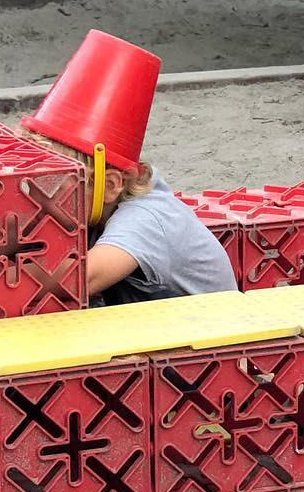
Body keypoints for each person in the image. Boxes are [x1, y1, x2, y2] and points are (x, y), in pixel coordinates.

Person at [21, 29, 238, 306]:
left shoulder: (146, 218)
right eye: (31, 180)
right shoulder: (91, 203)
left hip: (209, 328)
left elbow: (77, 280)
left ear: (110, 185)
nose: (36, 196)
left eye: (50, 184)